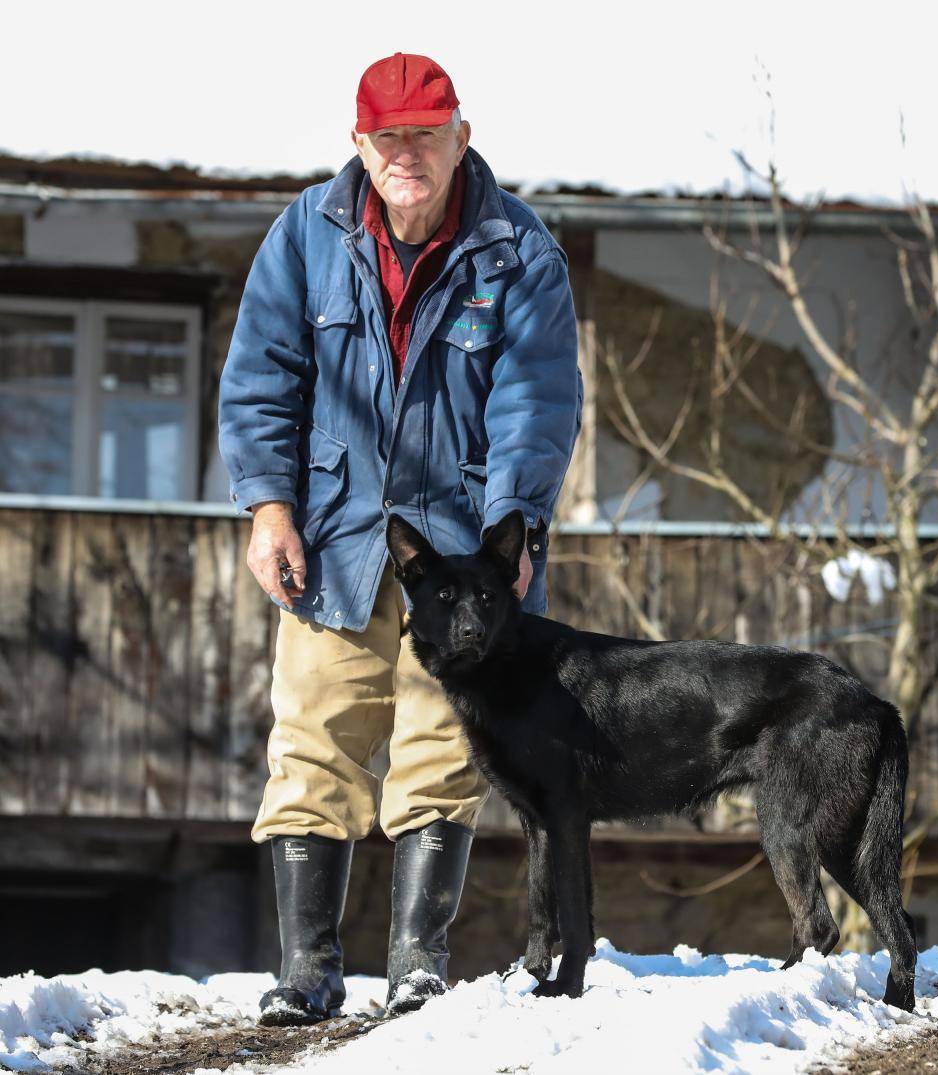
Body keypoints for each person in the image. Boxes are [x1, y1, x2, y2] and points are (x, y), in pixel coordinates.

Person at [216, 51, 582, 1026]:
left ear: (462, 136)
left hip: (460, 561)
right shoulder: (307, 235)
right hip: (332, 544)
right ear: (359, 143)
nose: (405, 154)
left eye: (425, 134)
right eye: (388, 137)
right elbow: (263, 376)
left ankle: (418, 967)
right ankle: (307, 972)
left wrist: (514, 538)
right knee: (313, 742)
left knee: (442, 745)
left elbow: (535, 405)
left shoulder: (518, 254)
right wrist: (267, 505)